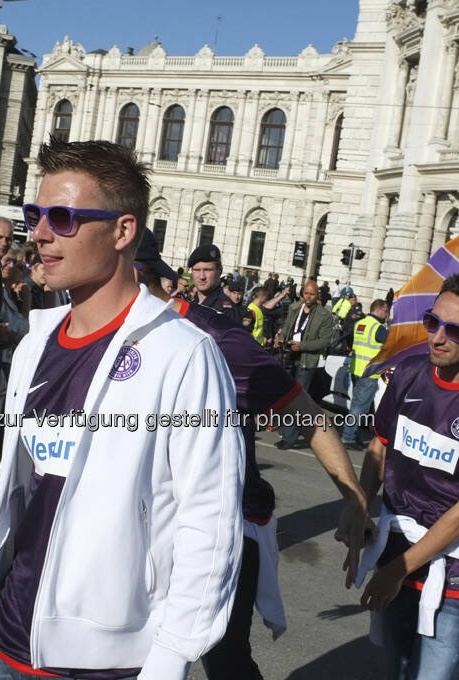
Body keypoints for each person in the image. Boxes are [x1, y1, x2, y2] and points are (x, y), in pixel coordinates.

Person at [0, 137, 244, 680]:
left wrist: (168, 661)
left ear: (123, 231)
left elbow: (209, 521)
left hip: (107, 662)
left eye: (65, 218)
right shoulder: (35, 343)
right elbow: (19, 493)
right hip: (5, 642)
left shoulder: (184, 353)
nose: (41, 234)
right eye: (36, 215)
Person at [133, 226, 370, 680]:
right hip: (140, 528)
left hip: (219, 527)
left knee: (224, 660)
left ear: (134, 268)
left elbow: (307, 413)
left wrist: (354, 496)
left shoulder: (215, 339)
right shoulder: (89, 334)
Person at [353, 274, 459, 680]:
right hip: (398, 545)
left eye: (455, 331)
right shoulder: (409, 372)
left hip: (456, 564)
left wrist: (399, 570)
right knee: (395, 669)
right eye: (433, 323)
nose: (437, 338)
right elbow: (379, 447)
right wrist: (358, 505)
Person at [274, 280, 334, 449]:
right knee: (286, 396)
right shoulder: (295, 308)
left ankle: (290, 437)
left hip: (307, 360)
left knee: (298, 399)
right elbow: (287, 328)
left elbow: (324, 341)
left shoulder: (324, 314)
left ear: (317, 295)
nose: (308, 297)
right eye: (306, 293)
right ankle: (287, 431)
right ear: (302, 294)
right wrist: (281, 338)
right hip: (290, 356)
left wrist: (303, 346)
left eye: (312, 294)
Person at [341, 299, 389, 450]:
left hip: (357, 369)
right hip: (370, 372)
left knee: (358, 404)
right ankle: (348, 438)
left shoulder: (360, 323)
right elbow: (393, 343)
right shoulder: (378, 328)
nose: (387, 315)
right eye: (386, 311)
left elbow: (348, 339)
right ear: (379, 309)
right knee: (359, 407)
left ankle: (353, 435)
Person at [188, 243, 242, 322]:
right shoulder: (189, 302)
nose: (202, 276)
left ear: (219, 271)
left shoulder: (226, 312)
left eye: (208, 270)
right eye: (197, 270)